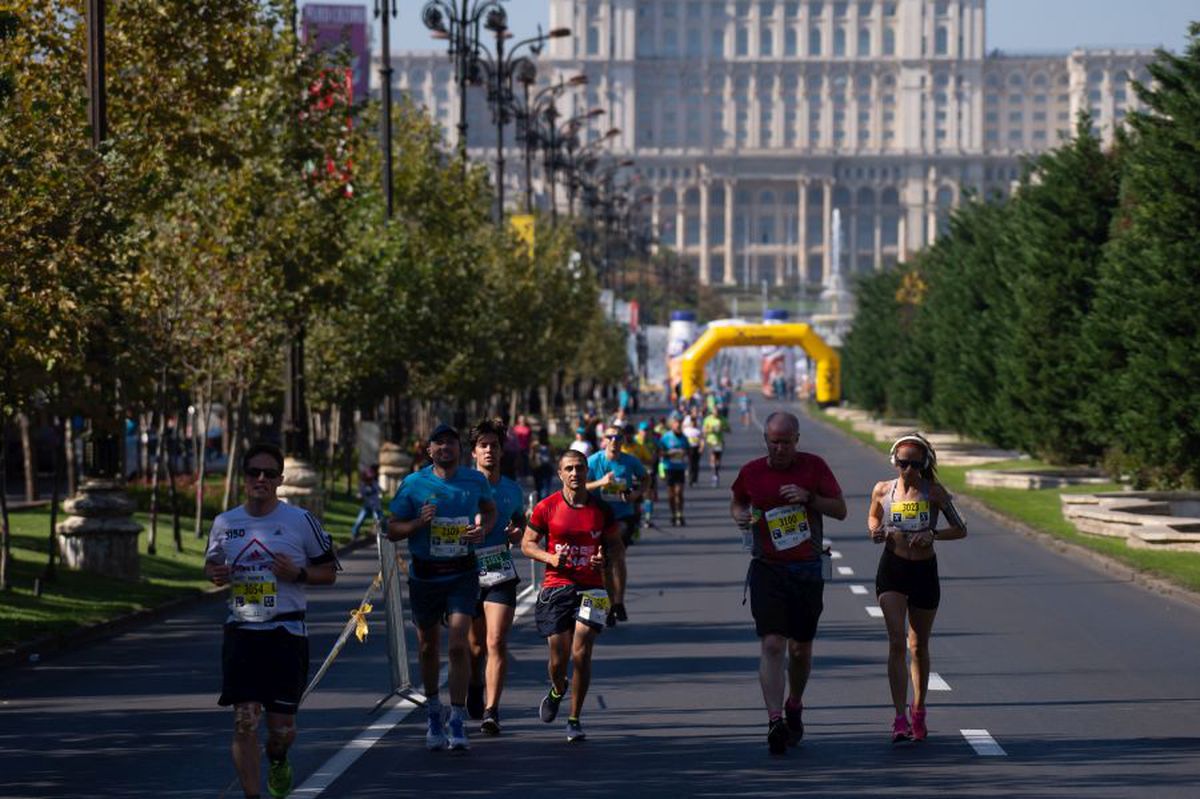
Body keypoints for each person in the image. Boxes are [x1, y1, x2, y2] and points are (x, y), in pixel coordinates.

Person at [204, 442, 339, 799]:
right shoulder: (225, 523)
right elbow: (212, 564)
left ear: (280, 479)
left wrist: (297, 574)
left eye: (268, 473)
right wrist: (215, 574)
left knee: (281, 731)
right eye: (253, 473)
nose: (260, 479)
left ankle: (278, 759)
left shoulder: (299, 521)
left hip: (286, 632)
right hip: (242, 632)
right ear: (244, 479)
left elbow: (328, 572)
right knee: (244, 721)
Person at [730, 412, 847, 755]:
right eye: (773, 441)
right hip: (768, 568)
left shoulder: (814, 467)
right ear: (765, 439)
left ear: (797, 440)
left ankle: (794, 703)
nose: (779, 448)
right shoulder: (752, 472)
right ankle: (774, 720)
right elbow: (738, 500)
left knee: (800, 648)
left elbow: (840, 510)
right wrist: (740, 515)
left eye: (786, 442)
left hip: (807, 568)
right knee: (772, 644)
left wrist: (809, 498)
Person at [388, 423, 497, 752]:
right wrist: (419, 524)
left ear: (459, 450)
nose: (445, 448)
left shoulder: (474, 481)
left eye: (451, 443)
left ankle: (457, 717)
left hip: (462, 573)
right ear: (429, 450)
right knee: (427, 647)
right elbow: (392, 529)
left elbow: (489, 511)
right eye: (439, 444)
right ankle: (434, 710)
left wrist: (482, 531)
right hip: (425, 575)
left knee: (458, 645)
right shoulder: (414, 484)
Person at [868, 432, 968, 743]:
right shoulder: (884, 489)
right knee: (897, 640)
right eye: (902, 462)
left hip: (924, 570)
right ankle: (899, 717)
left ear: (923, 463)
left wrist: (933, 535)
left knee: (917, 645)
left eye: (914, 463)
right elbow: (873, 517)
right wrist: (876, 530)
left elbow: (960, 529)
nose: (908, 469)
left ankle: (919, 710)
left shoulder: (934, 492)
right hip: (893, 569)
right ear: (894, 461)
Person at [522, 449, 624, 743]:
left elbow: (616, 546)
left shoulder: (601, 509)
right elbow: (528, 544)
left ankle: (574, 718)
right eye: (569, 469)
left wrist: (603, 560)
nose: (575, 473)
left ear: (587, 471)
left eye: (580, 468)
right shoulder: (547, 507)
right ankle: (557, 689)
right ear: (560, 474)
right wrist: (551, 559)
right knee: (559, 657)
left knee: (582, 651)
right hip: (557, 585)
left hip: (592, 588)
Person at [466, 419, 528, 734]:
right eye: (484, 446)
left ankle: (492, 711)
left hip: (499, 568)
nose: (489, 451)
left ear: (502, 451)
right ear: (474, 452)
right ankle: (475, 682)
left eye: (494, 445)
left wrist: (517, 533)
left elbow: (522, 530)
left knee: (496, 640)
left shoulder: (512, 490)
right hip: (465, 572)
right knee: (475, 646)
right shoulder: (461, 486)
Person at [586, 425, 646, 626]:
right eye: (609, 437)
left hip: (623, 515)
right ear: (604, 439)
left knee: (616, 555)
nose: (614, 440)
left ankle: (618, 602)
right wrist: (600, 482)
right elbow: (579, 485)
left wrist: (637, 494)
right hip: (599, 517)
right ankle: (611, 605)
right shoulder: (594, 461)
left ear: (623, 440)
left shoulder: (629, 461)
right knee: (605, 564)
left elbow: (646, 478)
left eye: (618, 437)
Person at [623, 422, 658, 528]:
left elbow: (650, 460)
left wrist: (638, 461)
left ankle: (644, 520)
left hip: (639, 477)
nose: (627, 436)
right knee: (628, 503)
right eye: (625, 434)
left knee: (639, 502)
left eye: (629, 434)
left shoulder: (639, 446)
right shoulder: (620, 447)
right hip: (624, 479)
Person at [659, 414, 691, 526]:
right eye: (676, 423)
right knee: (671, 495)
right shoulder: (666, 437)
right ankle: (673, 514)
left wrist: (684, 453)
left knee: (679, 492)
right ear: (672, 425)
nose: (678, 425)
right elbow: (660, 452)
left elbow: (689, 451)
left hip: (680, 468)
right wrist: (670, 453)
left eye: (680, 423)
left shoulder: (684, 438)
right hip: (669, 468)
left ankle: (680, 514)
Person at [350, 464, 382, 539]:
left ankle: (380, 534)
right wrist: (359, 495)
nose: (368, 481)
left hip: (375, 506)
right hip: (367, 506)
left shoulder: (374, 484)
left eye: (370, 479)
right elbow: (360, 493)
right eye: (367, 479)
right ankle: (354, 533)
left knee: (378, 520)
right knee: (359, 520)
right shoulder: (363, 485)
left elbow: (379, 491)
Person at [702, 406, 731, 487]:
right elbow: (704, 431)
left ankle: (716, 473)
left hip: (719, 442)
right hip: (711, 441)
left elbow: (729, 430)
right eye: (715, 412)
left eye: (718, 412)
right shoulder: (707, 419)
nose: (716, 414)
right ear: (712, 412)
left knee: (718, 459)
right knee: (713, 457)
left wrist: (722, 428)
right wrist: (710, 430)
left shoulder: (722, 419)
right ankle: (714, 474)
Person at [531, 428, 556, 499]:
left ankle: (544, 505)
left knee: (545, 491)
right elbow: (531, 456)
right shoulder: (535, 445)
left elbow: (553, 457)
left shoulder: (550, 446)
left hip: (546, 469)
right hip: (538, 469)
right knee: (538, 489)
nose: (543, 437)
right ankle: (540, 506)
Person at [682, 412, 703, 487]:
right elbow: (683, 440)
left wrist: (701, 448)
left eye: (694, 422)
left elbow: (701, 440)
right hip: (689, 448)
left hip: (696, 448)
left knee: (696, 464)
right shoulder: (686, 431)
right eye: (692, 422)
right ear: (690, 423)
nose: (693, 423)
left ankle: (695, 479)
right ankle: (691, 479)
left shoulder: (698, 431)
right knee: (690, 464)